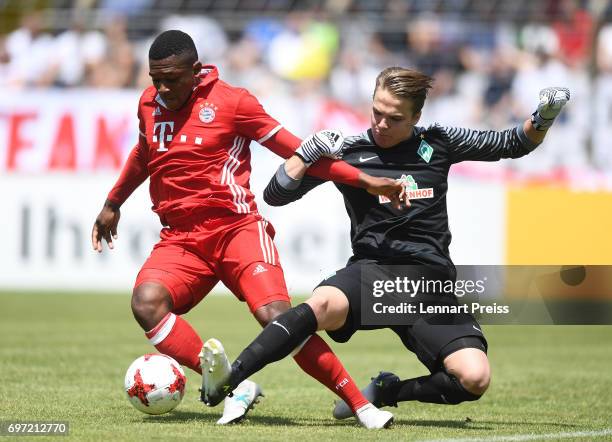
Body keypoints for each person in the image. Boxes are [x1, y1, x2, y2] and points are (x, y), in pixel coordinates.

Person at [200, 67, 570, 422]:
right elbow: (276, 195)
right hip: (372, 275)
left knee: (474, 379)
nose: (380, 124)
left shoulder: (438, 142)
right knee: (320, 305)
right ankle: (230, 377)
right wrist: (306, 153)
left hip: (430, 283)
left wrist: (543, 118)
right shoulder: (349, 150)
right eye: (377, 112)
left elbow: (510, 143)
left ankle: (386, 391)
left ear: (415, 117)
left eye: (394, 118)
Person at [91, 31, 404, 427]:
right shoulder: (149, 104)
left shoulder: (233, 102)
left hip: (236, 231)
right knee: (146, 302)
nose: (162, 88)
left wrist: (366, 180)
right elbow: (143, 153)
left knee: (278, 316)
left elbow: (300, 153)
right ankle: (230, 384)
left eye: (171, 78)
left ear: (196, 70)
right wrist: (112, 203)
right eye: (155, 79)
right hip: (181, 239)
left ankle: (362, 406)